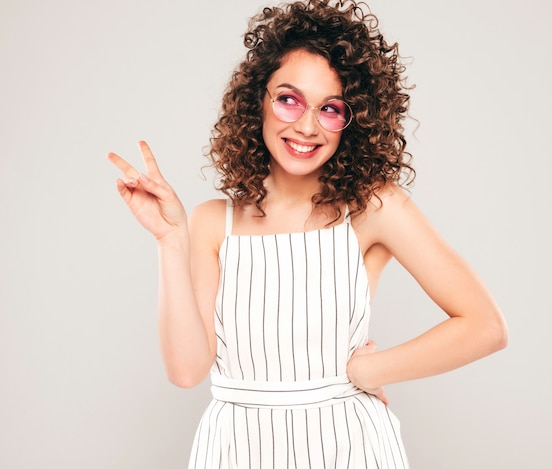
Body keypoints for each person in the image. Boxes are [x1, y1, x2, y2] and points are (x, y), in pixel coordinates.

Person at [108, 0, 508, 467]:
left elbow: (486, 326)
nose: (306, 125)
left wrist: (369, 369)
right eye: (288, 98)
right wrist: (169, 239)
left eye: (330, 108)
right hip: (235, 449)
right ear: (257, 99)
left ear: (353, 121)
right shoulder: (213, 222)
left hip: (349, 446)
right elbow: (186, 370)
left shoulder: (374, 207)